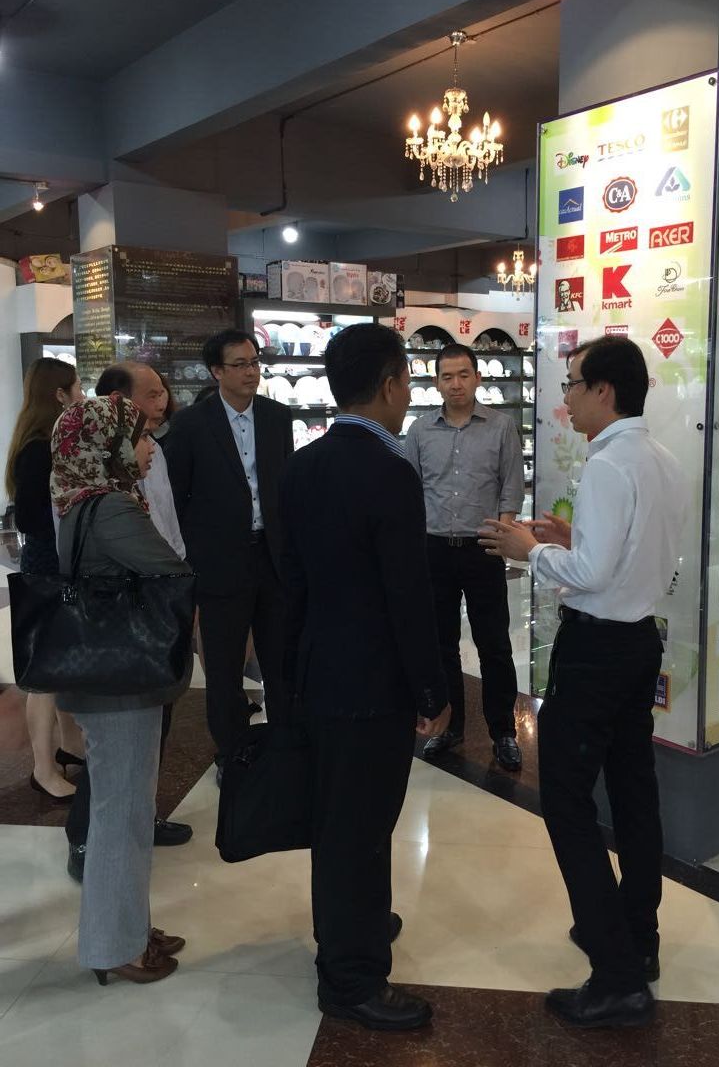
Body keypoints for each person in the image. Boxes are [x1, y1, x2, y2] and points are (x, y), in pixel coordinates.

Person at [478, 336, 685, 1030]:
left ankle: (616, 974)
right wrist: (571, 542)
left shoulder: (608, 464)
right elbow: (631, 556)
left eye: (571, 383)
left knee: (566, 801)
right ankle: (639, 936)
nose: (565, 396)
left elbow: (593, 575)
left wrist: (531, 550)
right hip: (638, 643)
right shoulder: (661, 459)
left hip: (596, 649)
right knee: (633, 790)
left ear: (604, 390)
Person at [279, 323, 450, 1031]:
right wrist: (432, 688)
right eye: (407, 380)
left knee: (340, 821)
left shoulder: (302, 466)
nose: (409, 394)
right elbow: (407, 595)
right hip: (372, 683)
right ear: (388, 384)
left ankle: (358, 926)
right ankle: (351, 979)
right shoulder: (389, 470)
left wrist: (288, 677)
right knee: (361, 826)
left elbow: (290, 584)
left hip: (320, 671)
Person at [50, 394, 192, 985]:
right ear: (108, 446)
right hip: (120, 683)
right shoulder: (110, 507)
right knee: (122, 813)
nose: (149, 447)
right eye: (138, 436)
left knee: (125, 807)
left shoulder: (80, 500)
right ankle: (116, 947)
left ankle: (129, 927)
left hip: (103, 678)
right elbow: (172, 570)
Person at [164, 329, 293, 763]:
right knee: (223, 667)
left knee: (281, 660)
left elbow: (284, 488)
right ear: (216, 371)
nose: (251, 372)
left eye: (255, 363)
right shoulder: (192, 424)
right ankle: (232, 752)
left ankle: (285, 745)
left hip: (272, 557)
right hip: (220, 562)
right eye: (239, 365)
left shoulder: (277, 417)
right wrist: (193, 557)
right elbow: (177, 496)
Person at [404, 343, 525, 771]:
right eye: (447, 376)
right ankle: (449, 727)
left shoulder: (501, 426)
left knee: (494, 645)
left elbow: (511, 486)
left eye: (463, 375)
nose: (455, 384)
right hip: (433, 549)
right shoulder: (419, 430)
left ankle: (503, 731)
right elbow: (410, 490)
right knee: (441, 645)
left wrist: (502, 534)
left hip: (482, 548)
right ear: (435, 382)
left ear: (477, 377)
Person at [4, 358, 85, 802]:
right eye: (76, 388)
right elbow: (34, 519)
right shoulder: (39, 449)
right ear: (59, 395)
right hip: (47, 570)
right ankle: (43, 767)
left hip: (54, 566)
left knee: (62, 667)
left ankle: (69, 746)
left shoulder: (43, 443)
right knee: (47, 674)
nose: (81, 396)